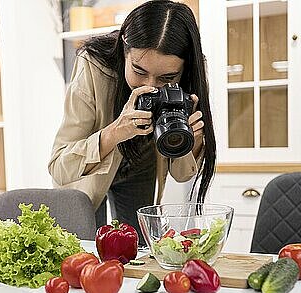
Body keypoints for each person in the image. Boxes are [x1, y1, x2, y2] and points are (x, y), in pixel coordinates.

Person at [48, 0, 216, 244]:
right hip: (91, 163)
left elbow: (182, 176)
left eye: (167, 77)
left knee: (138, 248)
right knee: (83, 249)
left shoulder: (192, 75)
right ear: (124, 48)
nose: (149, 86)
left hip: (142, 160)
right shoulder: (94, 65)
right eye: (139, 71)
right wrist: (115, 132)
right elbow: (59, 166)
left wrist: (190, 143)